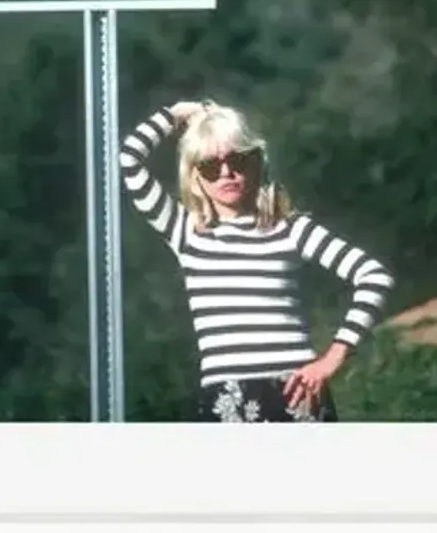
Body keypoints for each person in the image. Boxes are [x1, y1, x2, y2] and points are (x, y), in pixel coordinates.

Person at [118, 98, 396, 422]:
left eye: (237, 159)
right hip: (225, 400)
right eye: (210, 165)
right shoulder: (185, 232)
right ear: (196, 177)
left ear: (257, 161)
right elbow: (129, 159)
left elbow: (374, 276)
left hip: (298, 395)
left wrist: (332, 358)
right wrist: (178, 113)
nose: (227, 172)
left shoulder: (291, 229)